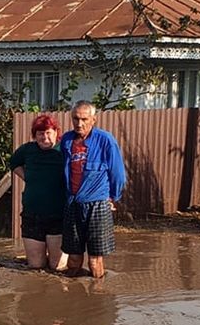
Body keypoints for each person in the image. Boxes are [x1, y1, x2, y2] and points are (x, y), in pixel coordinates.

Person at [60, 101, 126, 280]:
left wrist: (113, 198)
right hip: (73, 203)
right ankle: (73, 298)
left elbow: (118, 174)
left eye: (84, 119)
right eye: (75, 118)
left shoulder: (106, 140)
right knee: (73, 257)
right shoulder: (66, 140)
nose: (79, 123)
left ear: (93, 120)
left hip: (97, 204)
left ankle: (97, 298)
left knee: (95, 260)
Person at [9, 113, 68, 271]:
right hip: (32, 214)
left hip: (59, 215)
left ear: (56, 132)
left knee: (58, 267)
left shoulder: (64, 149)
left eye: (48, 132)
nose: (44, 137)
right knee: (36, 266)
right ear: (34, 135)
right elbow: (13, 163)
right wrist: (28, 177)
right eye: (40, 133)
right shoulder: (27, 149)